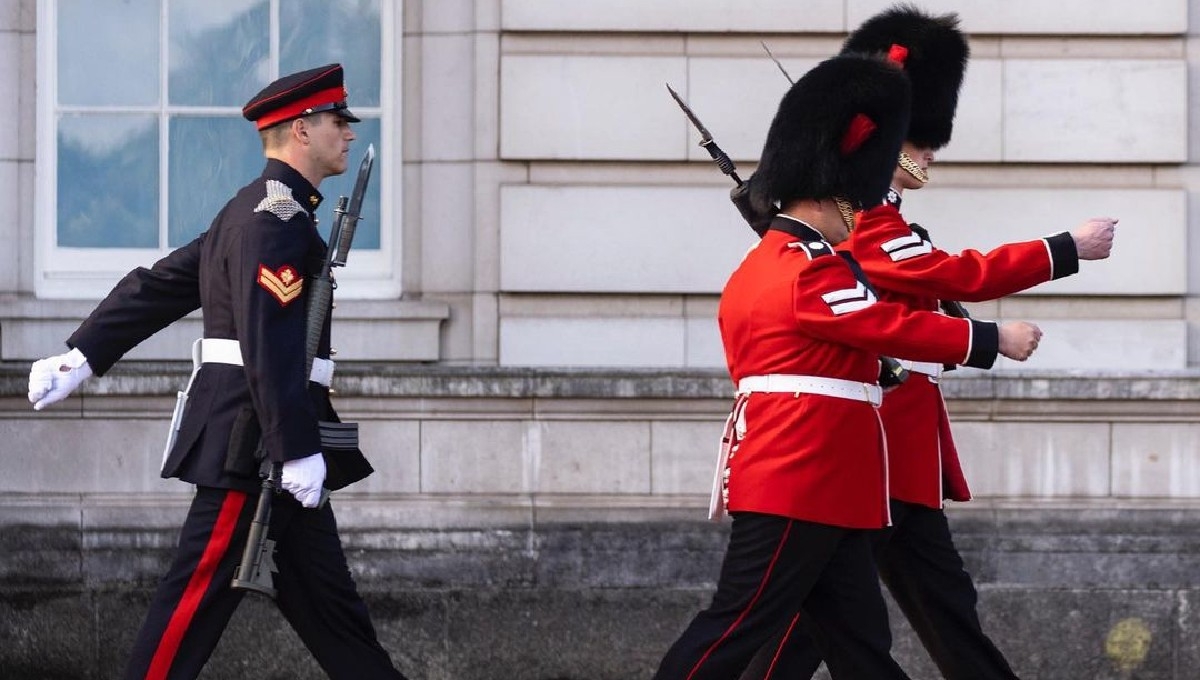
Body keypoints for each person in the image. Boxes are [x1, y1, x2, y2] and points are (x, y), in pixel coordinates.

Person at [739, 7, 1117, 680]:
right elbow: (954, 275)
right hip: (877, 442)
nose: (927, 151)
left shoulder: (878, 219)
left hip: (895, 444)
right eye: (913, 139)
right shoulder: (869, 225)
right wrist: (1063, 250)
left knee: (859, 610)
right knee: (873, 609)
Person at [651, 50, 1046, 680]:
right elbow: (886, 324)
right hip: (801, 475)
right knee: (736, 624)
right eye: (855, 201)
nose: (860, 215)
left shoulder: (773, 265)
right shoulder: (808, 269)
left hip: (830, 483)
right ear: (834, 193)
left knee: (860, 644)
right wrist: (987, 339)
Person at [26, 64, 407, 680]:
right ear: (301, 129)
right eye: (339, 121)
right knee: (186, 613)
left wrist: (85, 354)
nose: (349, 134)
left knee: (338, 620)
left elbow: (161, 286)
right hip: (252, 446)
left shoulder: (258, 212)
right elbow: (267, 342)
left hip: (270, 445)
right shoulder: (273, 221)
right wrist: (294, 448)